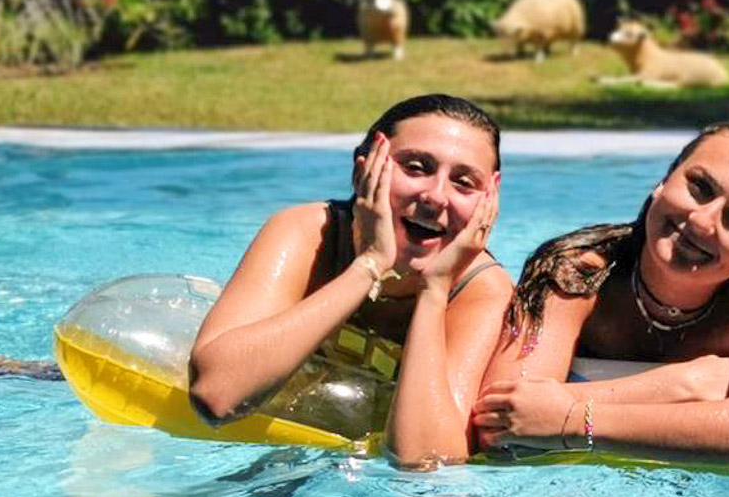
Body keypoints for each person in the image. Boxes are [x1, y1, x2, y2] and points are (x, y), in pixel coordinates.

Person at [188, 94, 511, 468]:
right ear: (363, 173)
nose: (436, 196)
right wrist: (370, 265)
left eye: (464, 182)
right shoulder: (308, 236)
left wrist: (434, 290)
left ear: (490, 199)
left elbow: (429, 468)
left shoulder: (482, 292)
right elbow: (217, 395)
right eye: (416, 167)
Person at [471, 122, 729, 465]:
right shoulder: (580, 275)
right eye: (699, 187)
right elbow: (500, 419)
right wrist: (679, 386)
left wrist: (572, 419)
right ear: (662, 183)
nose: (703, 220)